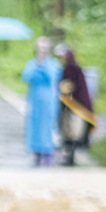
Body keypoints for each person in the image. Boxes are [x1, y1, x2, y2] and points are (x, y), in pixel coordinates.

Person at [21, 37, 61, 167]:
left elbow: (54, 77)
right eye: (40, 48)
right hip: (35, 99)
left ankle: (48, 152)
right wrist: (37, 65)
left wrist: (44, 65)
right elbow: (26, 77)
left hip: (48, 99)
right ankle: (36, 153)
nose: (42, 50)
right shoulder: (32, 64)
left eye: (44, 48)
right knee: (35, 126)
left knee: (48, 126)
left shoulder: (53, 64)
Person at [56, 46, 94, 166]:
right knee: (67, 130)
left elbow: (68, 87)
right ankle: (69, 157)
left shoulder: (72, 69)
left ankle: (71, 158)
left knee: (74, 130)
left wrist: (64, 92)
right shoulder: (67, 69)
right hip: (69, 104)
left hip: (77, 105)